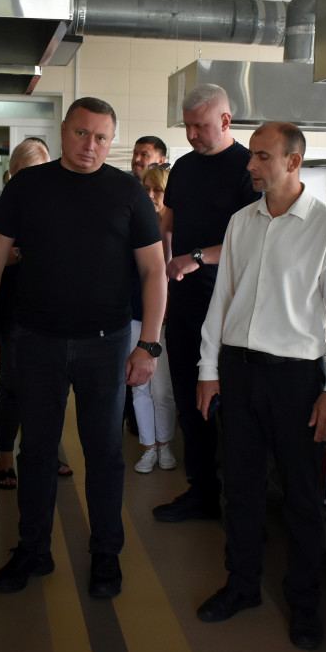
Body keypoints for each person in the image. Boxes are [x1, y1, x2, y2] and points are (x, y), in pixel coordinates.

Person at [0, 97, 167, 600]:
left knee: (104, 454)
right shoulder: (29, 187)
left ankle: (106, 554)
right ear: (63, 131)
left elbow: (154, 271)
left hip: (106, 345)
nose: (90, 146)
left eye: (101, 137)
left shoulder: (128, 191)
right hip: (37, 340)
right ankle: (33, 549)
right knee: (36, 452)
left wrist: (148, 344)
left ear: (111, 140)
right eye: (82, 133)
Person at [193, 122, 326, 651]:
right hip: (239, 372)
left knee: (301, 497)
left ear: (293, 162)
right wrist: (208, 369)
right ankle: (242, 584)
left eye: (262, 156)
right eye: (252, 156)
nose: (251, 165)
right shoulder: (242, 222)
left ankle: (304, 603)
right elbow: (222, 300)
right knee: (240, 488)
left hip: (295, 379)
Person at [152, 84, 258, 523]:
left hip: (231, 306)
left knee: (230, 410)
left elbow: (254, 239)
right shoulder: (183, 168)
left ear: (226, 121)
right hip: (185, 303)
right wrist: (164, 267)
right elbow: (169, 223)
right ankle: (202, 492)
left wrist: (196, 258)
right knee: (187, 399)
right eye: (188, 126)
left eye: (200, 125)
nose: (192, 134)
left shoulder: (248, 168)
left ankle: (241, 505)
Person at [0, 138, 51, 490]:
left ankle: (47, 453)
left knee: (49, 388)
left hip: (46, 310)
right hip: (8, 311)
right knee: (13, 384)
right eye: (28, 174)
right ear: (13, 173)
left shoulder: (52, 206)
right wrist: (23, 254)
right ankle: (5, 456)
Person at [130, 164, 177, 473]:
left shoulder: (175, 229)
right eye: (145, 189)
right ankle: (148, 447)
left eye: (157, 190)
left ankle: (165, 444)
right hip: (135, 314)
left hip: (167, 320)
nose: (150, 195)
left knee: (162, 389)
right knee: (139, 385)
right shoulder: (133, 225)